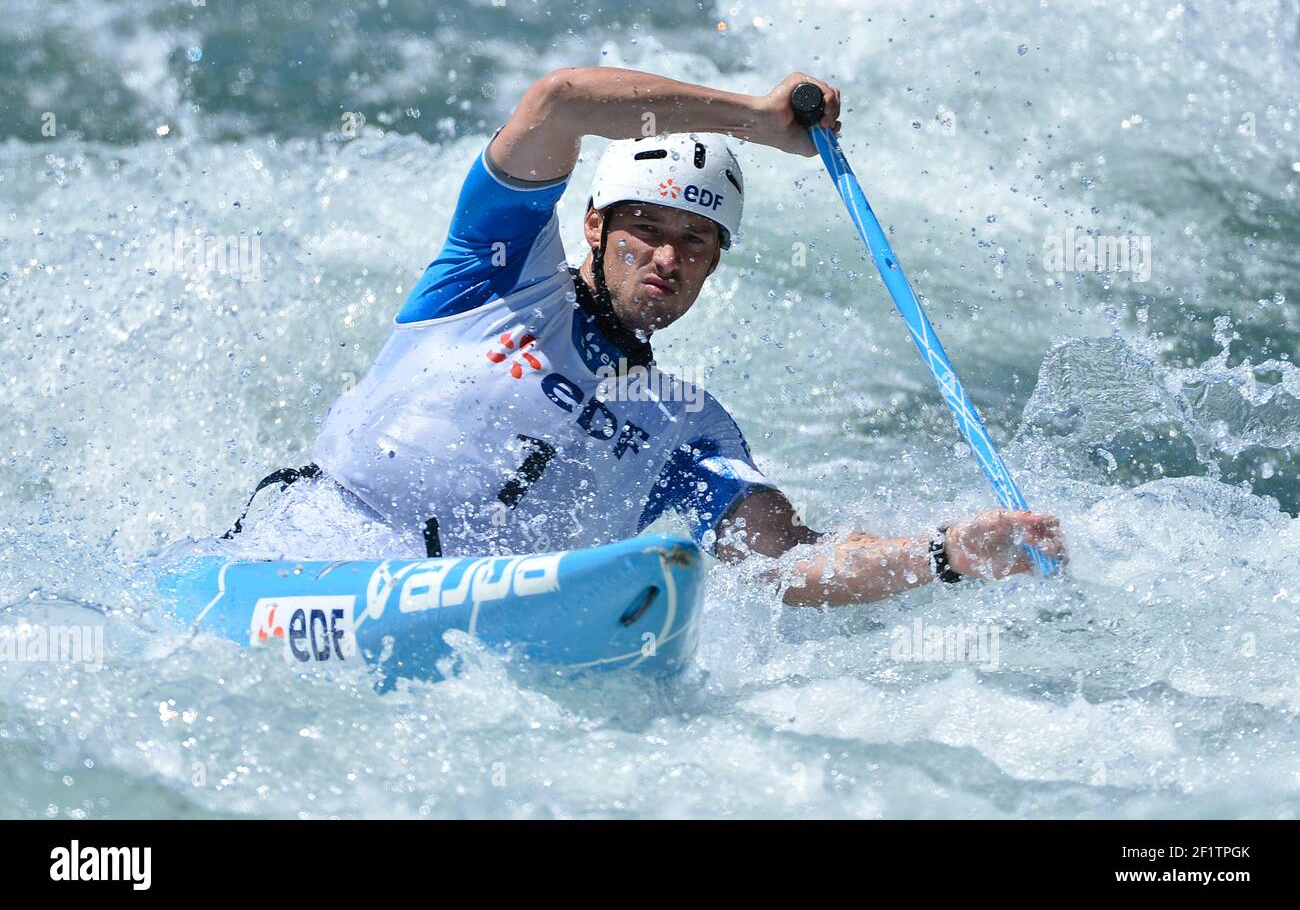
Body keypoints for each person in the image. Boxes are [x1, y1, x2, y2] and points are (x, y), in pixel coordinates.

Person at [227, 67, 1066, 606]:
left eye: (695, 242)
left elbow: (788, 564)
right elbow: (559, 103)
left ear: (714, 266)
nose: (667, 256)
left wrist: (948, 552)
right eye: (645, 229)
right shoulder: (494, 274)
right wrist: (753, 121)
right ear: (593, 224)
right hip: (299, 559)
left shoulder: (685, 427)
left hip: (470, 608)